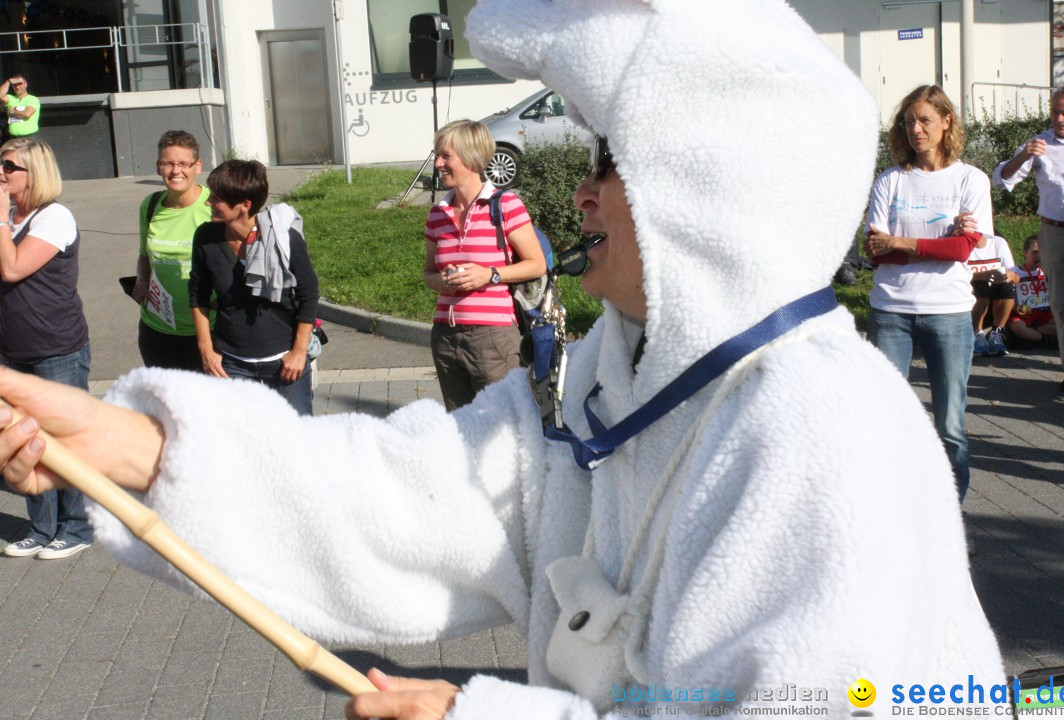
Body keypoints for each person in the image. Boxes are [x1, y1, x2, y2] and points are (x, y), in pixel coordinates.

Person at [0, 1, 1005, 717]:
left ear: (711, 183)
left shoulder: (828, 431)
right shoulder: (624, 380)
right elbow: (411, 496)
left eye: (610, 162)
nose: (584, 196)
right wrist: (130, 447)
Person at [864, 84, 992, 501]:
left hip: (949, 312)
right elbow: (875, 253)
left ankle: (952, 517)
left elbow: (960, 251)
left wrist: (901, 243)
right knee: (886, 417)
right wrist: (934, 245)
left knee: (950, 425)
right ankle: (893, 509)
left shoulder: (970, 179)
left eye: (924, 120)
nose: (916, 129)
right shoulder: (890, 181)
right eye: (908, 122)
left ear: (946, 122)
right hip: (891, 311)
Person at [0, 137, 92, 560]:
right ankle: (40, 527)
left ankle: (76, 527)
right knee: (23, 439)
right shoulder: (10, 216)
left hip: (55, 346)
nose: (1, 173)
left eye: (8, 166)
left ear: (34, 173)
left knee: (64, 438)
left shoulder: (54, 217)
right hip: (11, 347)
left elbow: (13, 267)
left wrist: (1, 220)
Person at [422, 119, 546, 410]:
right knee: (461, 427)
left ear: (470, 156)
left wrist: (489, 275)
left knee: (502, 426)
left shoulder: (505, 206)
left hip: (492, 336)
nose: (438, 163)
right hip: (445, 335)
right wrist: (438, 281)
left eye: (445, 155)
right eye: (437, 155)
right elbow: (428, 272)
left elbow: (536, 264)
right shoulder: (437, 214)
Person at [188, 159, 319, 415]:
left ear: (244, 206)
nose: (207, 202)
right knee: (240, 438)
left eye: (216, 198)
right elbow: (197, 295)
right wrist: (206, 351)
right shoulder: (206, 237)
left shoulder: (284, 240)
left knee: (297, 435)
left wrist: (298, 353)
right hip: (232, 364)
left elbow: (309, 294)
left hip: (284, 361)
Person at [993, 84, 1064, 393]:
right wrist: (1022, 157)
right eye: (1055, 112)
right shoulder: (1039, 143)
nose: (1059, 119)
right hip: (1056, 231)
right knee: (1061, 300)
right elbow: (1002, 178)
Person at [132, 130, 211, 371]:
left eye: (183, 164)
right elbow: (145, 254)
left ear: (197, 166)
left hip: (209, 330)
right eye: (168, 164)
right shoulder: (150, 205)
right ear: (158, 167)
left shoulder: (214, 206)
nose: (176, 171)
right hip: (158, 329)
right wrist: (142, 279)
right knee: (166, 405)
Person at [968, 234, 1018, 358]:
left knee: (1007, 285)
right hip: (970, 300)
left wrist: (1010, 276)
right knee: (981, 284)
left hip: (994, 302)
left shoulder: (998, 243)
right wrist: (981, 275)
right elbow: (954, 276)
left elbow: (1017, 278)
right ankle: (976, 334)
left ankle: (996, 333)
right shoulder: (962, 244)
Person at [1008, 235, 1056, 347]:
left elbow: (1056, 289)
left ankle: (1034, 334)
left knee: (1061, 324)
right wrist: (1017, 309)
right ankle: (1043, 339)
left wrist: (1046, 271)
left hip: (1044, 312)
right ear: (1025, 253)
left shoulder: (1047, 271)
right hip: (1025, 311)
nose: (1038, 255)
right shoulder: (1015, 271)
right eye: (1034, 252)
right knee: (1017, 327)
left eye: (1041, 252)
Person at [0, 76, 39, 142]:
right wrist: (8, 81)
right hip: (13, 138)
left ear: (25, 84)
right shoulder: (12, 99)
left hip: (29, 137)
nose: (17, 87)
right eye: (15, 84)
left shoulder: (32, 99)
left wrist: (12, 112)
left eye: (20, 84)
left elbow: (27, 114)